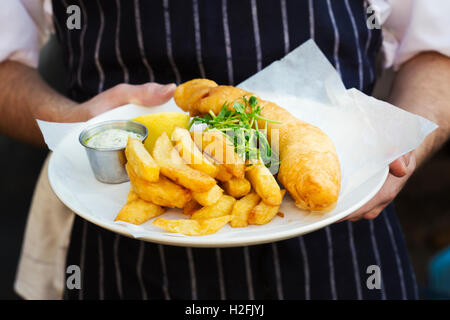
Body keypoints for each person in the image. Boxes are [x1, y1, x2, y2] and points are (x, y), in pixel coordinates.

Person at [1, 0, 449, 300]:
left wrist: (403, 142)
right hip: (121, 247)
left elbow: (439, 49)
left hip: (346, 248)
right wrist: (74, 122)